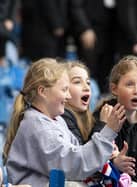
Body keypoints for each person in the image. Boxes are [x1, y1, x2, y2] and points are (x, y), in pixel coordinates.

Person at [2, 58, 126, 186]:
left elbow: (79, 156)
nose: (68, 96)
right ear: (43, 91)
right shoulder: (38, 127)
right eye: (64, 90)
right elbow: (75, 165)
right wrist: (108, 132)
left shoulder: (56, 121)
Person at [61, 61, 134, 186]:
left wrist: (114, 161)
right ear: (63, 89)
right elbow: (84, 163)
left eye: (88, 82)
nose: (86, 87)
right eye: (77, 82)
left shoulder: (89, 119)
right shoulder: (62, 118)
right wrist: (103, 125)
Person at [93, 55, 137, 182]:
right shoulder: (103, 115)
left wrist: (126, 175)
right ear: (114, 89)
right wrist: (113, 163)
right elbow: (91, 158)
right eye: (129, 84)